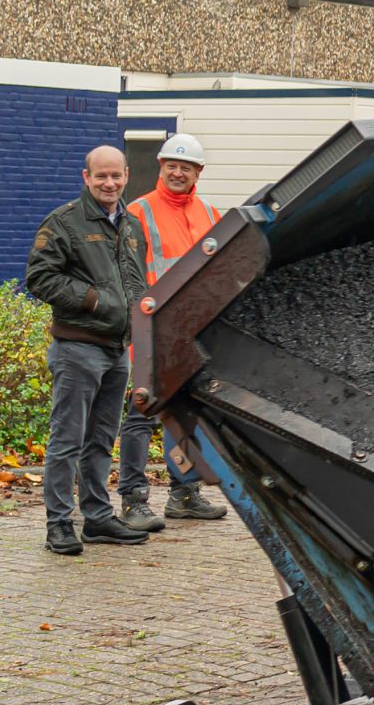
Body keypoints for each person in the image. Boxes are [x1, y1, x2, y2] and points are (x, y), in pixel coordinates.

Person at [24, 148, 151, 556]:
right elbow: (40, 277)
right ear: (86, 177)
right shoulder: (64, 222)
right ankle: (59, 523)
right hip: (78, 347)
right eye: (101, 177)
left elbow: (135, 282)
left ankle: (97, 518)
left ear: (127, 175)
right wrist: (95, 300)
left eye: (115, 176)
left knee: (101, 439)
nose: (109, 183)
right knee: (67, 440)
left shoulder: (132, 226)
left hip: (118, 350)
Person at [116, 135, 227, 529]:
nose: (177, 173)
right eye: (171, 166)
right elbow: (124, 275)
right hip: (150, 330)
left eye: (186, 167)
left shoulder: (212, 215)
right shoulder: (136, 212)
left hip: (192, 332)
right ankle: (133, 496)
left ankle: (184, 492)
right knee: (143, 413)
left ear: (198, 172)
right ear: (161, 167)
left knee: (186, 414)